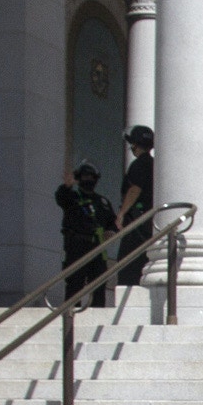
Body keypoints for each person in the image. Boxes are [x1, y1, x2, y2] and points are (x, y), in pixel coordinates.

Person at [55, 162, 118, 307]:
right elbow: (61, 198)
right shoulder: (72, 197)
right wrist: (67, 186)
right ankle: (70, 314)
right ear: (79, 178)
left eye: (91, 176)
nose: (88, 179)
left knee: (99, 283)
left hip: (97, 246)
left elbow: (112, 223)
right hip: (77, 245)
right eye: (85, 176)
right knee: (74, 283)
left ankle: (98, 314)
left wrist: (112, 231)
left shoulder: (102, 202)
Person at [116, 124, 157, 290]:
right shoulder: (154, 164)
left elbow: (135, 189)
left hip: (137, 223)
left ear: (134, 144)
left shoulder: (139, 164)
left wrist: (121, 213)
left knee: (129, 262)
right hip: (148, 222)